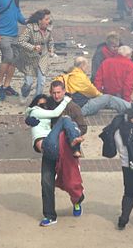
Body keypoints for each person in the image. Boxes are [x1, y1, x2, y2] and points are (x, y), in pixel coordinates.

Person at [40, 80, 87, 227]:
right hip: (50, 149)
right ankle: (50, 215)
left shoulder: (72, 107)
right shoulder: (47, 105)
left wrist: (71, 134)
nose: (56, 95)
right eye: (53, 93)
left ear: (64, 91)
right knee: (46, 181)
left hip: (67, 149)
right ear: (50, 92)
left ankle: (78, 200)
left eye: (59, 92)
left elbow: (83, 127)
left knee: (70, 181)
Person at [55, 56, 133, 117]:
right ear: (82, 65)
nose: (88, 68)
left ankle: (123, 105)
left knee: (104, 100)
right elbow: (94, 92)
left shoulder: (64, 76)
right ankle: (129, 107)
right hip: (80, 108)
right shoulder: (80, 77)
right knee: (107, 98)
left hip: (68, 107)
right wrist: (102, 98)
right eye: (87, 66)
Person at [26, 94, 82, 159]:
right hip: (45, 143)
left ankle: (75, 149)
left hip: (52, 144)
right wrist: (66, 100)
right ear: (36, 104)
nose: (44, 107)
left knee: (73, 124)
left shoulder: (46, 113)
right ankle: (74, 145)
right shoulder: (35, 111)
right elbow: (55, 113)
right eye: (41, 105)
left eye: (45, 105)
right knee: (64, 119)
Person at [17, 9, 54, 99]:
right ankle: (24, 93)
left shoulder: (49, 28)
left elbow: (50, 40)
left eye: (49, 19)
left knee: (42, 81)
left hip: (43, 57)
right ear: (39, 20)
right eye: (46, 19)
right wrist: (33, 47)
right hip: (30, 58)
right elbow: (20, 41)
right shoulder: (30, 29)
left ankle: (36, 101)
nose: (49, 21)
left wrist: (51, 50)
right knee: (28, 83)